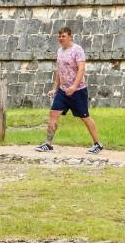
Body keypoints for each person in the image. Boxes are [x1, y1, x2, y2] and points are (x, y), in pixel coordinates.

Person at [36, 26, 103, 154]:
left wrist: (74, 86)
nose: (61, 38)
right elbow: (59, 71)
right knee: (53, 114)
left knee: (85, 117)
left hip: (78, 91)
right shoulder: (59, 51)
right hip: (63, 91)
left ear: (70, 37)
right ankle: (48, 144)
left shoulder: (77, 50)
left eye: (63, 36)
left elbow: (81, 69)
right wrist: (55, 88)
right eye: (59, 36)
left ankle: (98, 144)